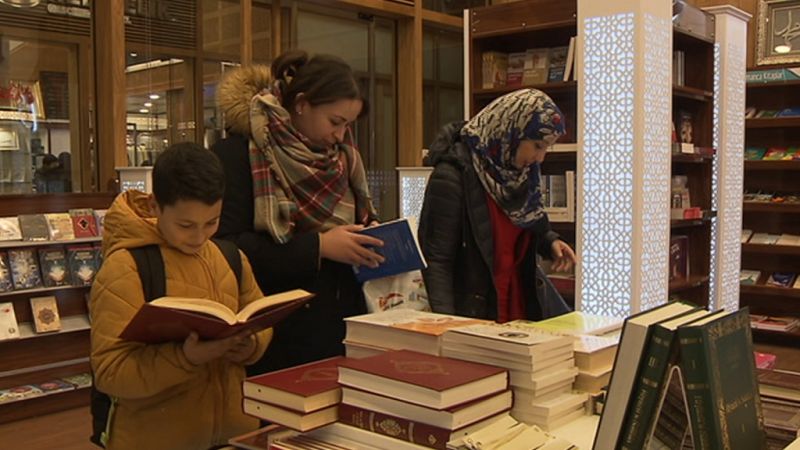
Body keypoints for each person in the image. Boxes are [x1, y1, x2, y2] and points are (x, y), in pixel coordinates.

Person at [89, 142, 272, 450]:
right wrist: (186, 357)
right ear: (155, 206)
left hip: (234, 435)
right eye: (185, 225)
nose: (199, 237)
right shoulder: (127, 267)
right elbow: (110, 371)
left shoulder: (230, 257)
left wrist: (249, 346)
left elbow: (260, 320)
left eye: (211, 222)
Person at [212, 50, 383, 375]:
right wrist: (319, 247)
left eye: (348, 125)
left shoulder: (342, 159)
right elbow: (226, 247)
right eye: (335, 121)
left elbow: (350, 222)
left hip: (339, 327)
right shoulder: (239, 154)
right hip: (272, 332)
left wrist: (368, 233)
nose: (340, 135)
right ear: (302, 103)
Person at [418, 88, 577, 322]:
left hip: (520, 310)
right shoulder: (453, 176)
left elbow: (527, 224)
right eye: (537, 145)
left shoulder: (522, 176)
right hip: (475, 316)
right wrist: (448, 327)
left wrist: (550, 241)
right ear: (511, 131)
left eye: (546, 148)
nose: (541, 158)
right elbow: (437, 261)